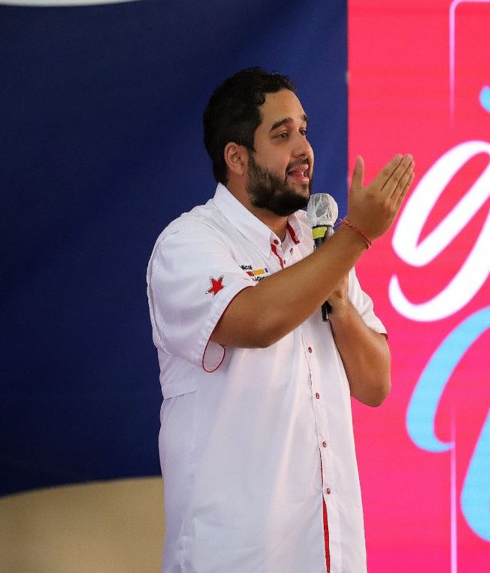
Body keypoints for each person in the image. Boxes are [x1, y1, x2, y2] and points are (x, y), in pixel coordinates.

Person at [146, 67, 415, 573]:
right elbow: (258, 322)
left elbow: (376, 383)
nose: (304, 149)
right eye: (282, 134)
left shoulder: (320, 241)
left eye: (304, 131)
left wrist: (339, 299)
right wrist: (356, 237)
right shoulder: (189, 243)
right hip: (235, 558)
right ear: (236, 157)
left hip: (330, 555)